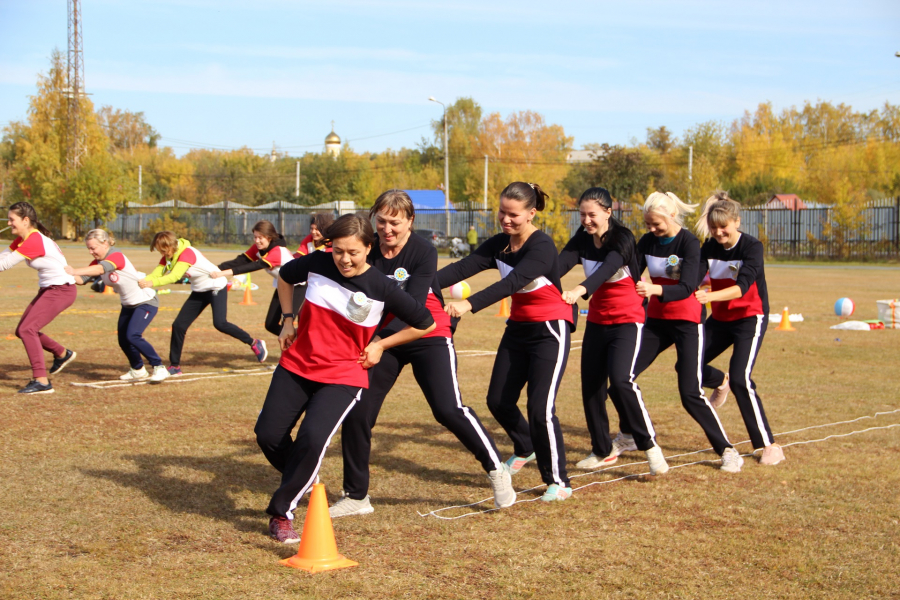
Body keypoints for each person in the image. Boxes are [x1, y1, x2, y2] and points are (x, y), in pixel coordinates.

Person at [333, 190, 514, 519]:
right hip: (385, 337)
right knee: (358, 409)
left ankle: (496, 469)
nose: (387, 229)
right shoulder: (367, 246)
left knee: (448, 409)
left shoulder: (423, 251)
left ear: (410, 222)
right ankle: (356, 495)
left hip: (426, 330)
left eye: (395, 223)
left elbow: (414, 310)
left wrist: (377, 343)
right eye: (382, 221)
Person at [255, 214, 435, 543]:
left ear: (369, 248)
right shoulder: (318, 263)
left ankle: (282, 513)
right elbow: (284, 277)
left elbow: (425, 323)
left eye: (353, 251)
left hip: (343, 373)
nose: (345, 259)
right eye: (338, 251)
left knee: (312, 438)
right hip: (298, 363)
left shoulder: (383, 287)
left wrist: (380, 344)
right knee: (267, 434)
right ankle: (303, 477)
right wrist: (287, 320)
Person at [438, 182, 574, 502]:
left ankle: (559, 480)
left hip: (550, 330)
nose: (506, 219)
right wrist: (419, 283)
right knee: (498, 400)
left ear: (531, 214)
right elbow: (461, 267)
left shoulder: (542, 247)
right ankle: (525, 447)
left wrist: (469, 304)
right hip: (519, 329)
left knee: (540, 407)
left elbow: (513, 282)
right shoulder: (500, 244)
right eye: (502, 212)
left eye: (513, 214)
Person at [558, 187, 670, 476]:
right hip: (597, 320)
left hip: (628, 319)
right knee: (591, 387)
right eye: (582, 214)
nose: (586, 220)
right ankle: (601, 449)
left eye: (592, 214)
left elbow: (608, 268)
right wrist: (530, 272)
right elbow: (557, 265)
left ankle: (649, 444)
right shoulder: (582, 239)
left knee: (621, 381)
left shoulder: (624, 238)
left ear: (608, 212)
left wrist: (581, 289)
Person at [631, 192, 741, 472]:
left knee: (689, 392)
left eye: (657, 224)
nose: (652, 230)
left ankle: (727, 450)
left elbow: (688, 285)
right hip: (656, 321)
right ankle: (630, 433)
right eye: (648, 225)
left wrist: (654, 289)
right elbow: (631, 272)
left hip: (687, 321)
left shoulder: (689, 242)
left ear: (672, 216)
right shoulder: (646, 242)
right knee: (623, 376)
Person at [694, 192, 785, 466]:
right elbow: (695, 278)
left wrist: (708, 297)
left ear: (737, 222)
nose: (719, 233)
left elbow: (741, 287)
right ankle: (718, 381)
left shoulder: (752, 247)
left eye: (724, 227)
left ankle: (769, 445)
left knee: (740, 379)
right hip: (720, 320)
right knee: (689, 364)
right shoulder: (708, 247)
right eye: (714, 228)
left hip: (749, 317)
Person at [138, 231, 267, 375]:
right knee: (179, 325)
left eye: (163, 250)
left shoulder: (187, 253)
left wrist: (151, 283)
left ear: (170, 245)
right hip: (200, 290)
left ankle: (254, 343)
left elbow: (174, 276)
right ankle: (175, 366)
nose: (162, 253)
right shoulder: (169, 255)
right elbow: (157, 273)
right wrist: (141, 280)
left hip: (215, 286)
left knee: (220, 323)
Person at [65, 229, 169, 383]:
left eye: (93, 248)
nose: (90, 252)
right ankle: (138, 370)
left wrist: (74, 270)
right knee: (123, 339)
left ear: (105, 243)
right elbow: (81, 280)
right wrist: (63, 273)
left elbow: (102, 269)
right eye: (88, 248)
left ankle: (159, 367)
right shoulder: (97, 262)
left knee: (133, 335)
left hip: (145, 301)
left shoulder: (116, 256)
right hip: (128, 304)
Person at [0, 202, 77, 394]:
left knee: (28, 330)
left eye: (12, 220)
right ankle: (62, 353)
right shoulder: (23, 238)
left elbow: (4, 265)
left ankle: (42, 381)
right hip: (50, 289)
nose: (9, 223)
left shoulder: (34, 240)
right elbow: (4, 256)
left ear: (25, 221)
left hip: (61, 290)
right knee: (22, 330)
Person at [211, 220, 301, 337]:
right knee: (270, 325)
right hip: (283, 285)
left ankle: (295, 349)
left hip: (299, 286)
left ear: (269, 237)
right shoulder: (258, 249)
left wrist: (224, 273)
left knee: (287, 324)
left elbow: (256, 265)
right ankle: (298, 342)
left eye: (260, 238)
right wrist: (216, 268)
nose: (257, 241)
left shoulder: (278, 251)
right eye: (255, 237)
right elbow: (240, 261)